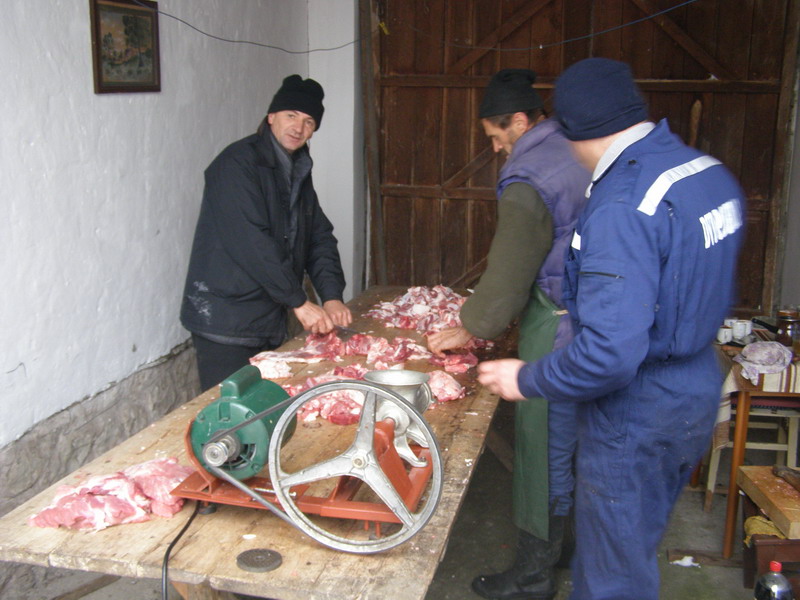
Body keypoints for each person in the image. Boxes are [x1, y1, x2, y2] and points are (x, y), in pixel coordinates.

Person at [477, 58, 746, 600]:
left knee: (610, 578)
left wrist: (526, 378)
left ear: (573, 132)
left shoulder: (623, 204)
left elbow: (609, 354)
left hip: (639, 406)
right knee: (632, 544)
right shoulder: (706, 173)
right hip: (695, 385)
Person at [427, 68, 590, 600]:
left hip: (559, 321)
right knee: (569, 443)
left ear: (520, 121)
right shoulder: (571, 146)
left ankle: (531, 576)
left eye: (498, 138)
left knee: (540, 443)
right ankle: (561, 548)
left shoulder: (530, 174)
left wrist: (471, 327)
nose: (498, 150)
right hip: (588, 314)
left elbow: (512, 265)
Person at [180, 74, 352, 391]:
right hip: (226, 319)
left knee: (260, 413)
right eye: (291, 116)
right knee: (229, 417)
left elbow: (318, 236)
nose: (298, 128)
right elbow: (251, 243)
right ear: (271, 116)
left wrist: (331, 296)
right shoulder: (236, 165)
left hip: (265, 317)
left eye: (309, 121)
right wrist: (298, 301)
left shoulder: (297, 168)